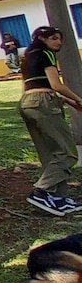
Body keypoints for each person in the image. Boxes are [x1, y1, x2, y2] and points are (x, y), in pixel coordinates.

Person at [20, 25, 82, 216]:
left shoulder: (27, 56)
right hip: (45, 103)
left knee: (50, 155)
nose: (58, 42)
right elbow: (56, 85)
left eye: (59, 38)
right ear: (41, 38)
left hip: (27, 103)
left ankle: (57, 199)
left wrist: (67, 101)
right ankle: (41, 191)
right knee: (68, 153)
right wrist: (79, 99)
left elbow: (31, 86)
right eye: (53, 38)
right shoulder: (46, 54)